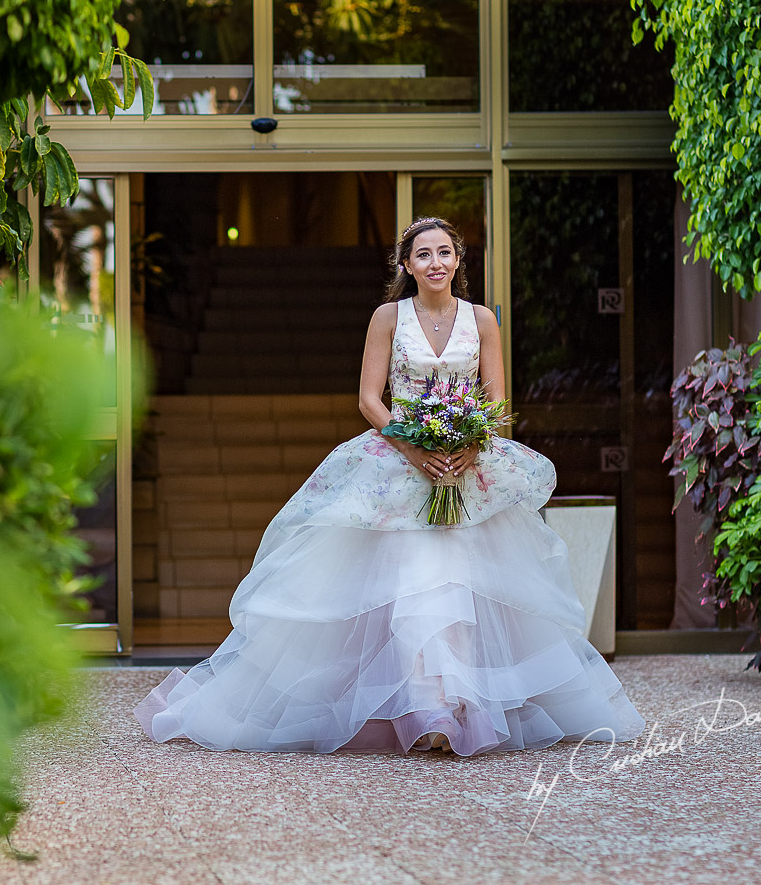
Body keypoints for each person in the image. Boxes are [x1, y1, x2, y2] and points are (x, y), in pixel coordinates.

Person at [133, 217, 647, 756]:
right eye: (423, 255)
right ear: (406, 265)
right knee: (413, 587)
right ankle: (426, 713)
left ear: (458, 261)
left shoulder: (482, 320)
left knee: (467, 587)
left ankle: (461, 708)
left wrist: (469, 447)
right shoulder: (388, 317)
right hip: (398, 465)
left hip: (466, 470)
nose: (435, 263)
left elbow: (495, 402)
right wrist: (415, 446)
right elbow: (369, 398)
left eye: (445, 253)